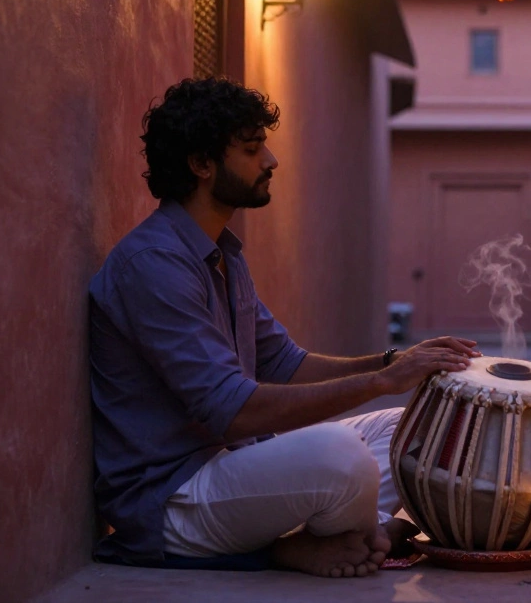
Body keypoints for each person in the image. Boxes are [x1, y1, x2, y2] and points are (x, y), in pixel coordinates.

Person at [89, 77, 480, 578]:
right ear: (202, 164)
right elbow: (233, 412)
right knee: (339, 456)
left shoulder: (221, 255)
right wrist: (381, 382)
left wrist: (391, 362)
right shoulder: (152, 265)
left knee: (416, 429)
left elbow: (283, 363)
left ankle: (344, 536)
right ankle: (304, 546)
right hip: (173, 499)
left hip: (237, 469)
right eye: (253, 149)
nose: (271, 160)